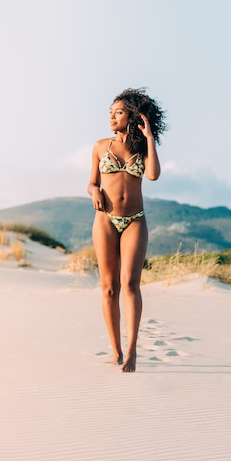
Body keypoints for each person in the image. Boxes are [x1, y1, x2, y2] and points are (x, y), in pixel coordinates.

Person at [88, 88, 167, 372]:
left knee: (131, 284)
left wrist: (149, 138)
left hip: (135, 219)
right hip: (106, 219)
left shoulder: (143, 148)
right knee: (109, 288)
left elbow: (154, 175)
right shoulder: (100, 146)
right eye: (110, 112)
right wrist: (94, 192)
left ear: (132, 116)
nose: (111, 117)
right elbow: (92, 182)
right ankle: (116, 350)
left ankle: (132, 351)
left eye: (118, 112)